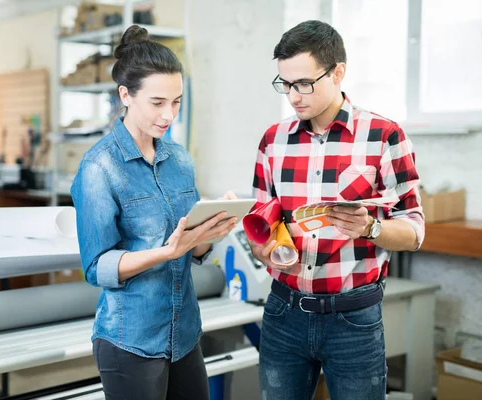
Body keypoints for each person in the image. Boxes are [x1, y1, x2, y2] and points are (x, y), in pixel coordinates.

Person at [249, 20, 425, 400]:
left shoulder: (384, 135)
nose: (294, 96)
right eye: (285, 84)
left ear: (338, 72)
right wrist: (262, 247)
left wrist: (370, 229)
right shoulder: (273, 140)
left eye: (303, 84)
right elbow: (263, 224)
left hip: (353, 318)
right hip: (284, 312)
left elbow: (414, 231)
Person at [70, 25, 238, 400]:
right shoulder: (99, 167)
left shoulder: (178, 159)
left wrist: (210, 232)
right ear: (125, 95)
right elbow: (97, 267)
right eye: (157, 103)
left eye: (176, 101)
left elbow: (191, 249)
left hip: (185, 333)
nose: (169, 115)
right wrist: (166, 251)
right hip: (131, 340)